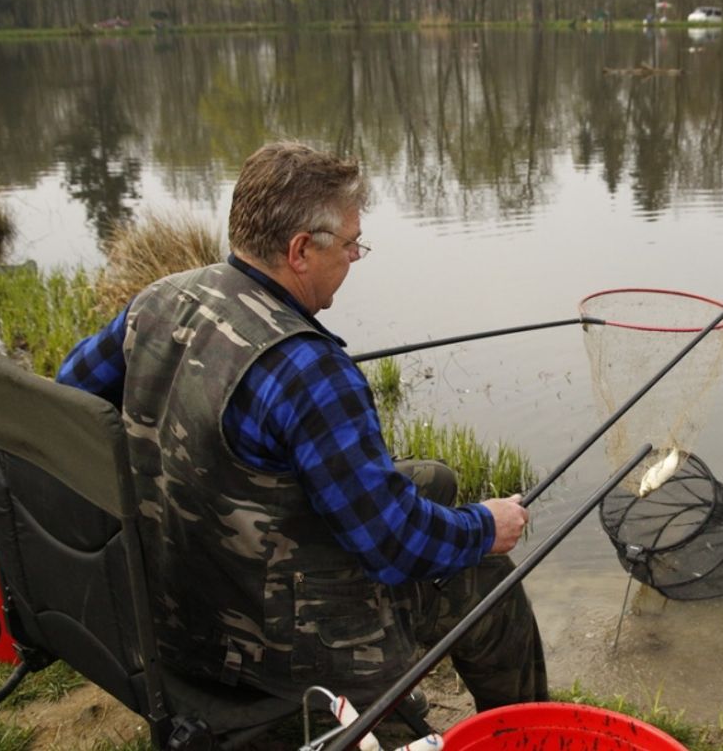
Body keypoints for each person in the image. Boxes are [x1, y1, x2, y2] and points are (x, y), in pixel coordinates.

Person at [56, 141, 548, 712]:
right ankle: (528, 732)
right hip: (265, 649)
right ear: (299, 251)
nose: (354, 257)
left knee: (430, 478)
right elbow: (393, 547)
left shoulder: (160, 299)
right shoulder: (312, 372)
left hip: (165, 600)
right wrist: (486, 527)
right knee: (485, 573)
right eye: (349, 245)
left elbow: (74, 395)